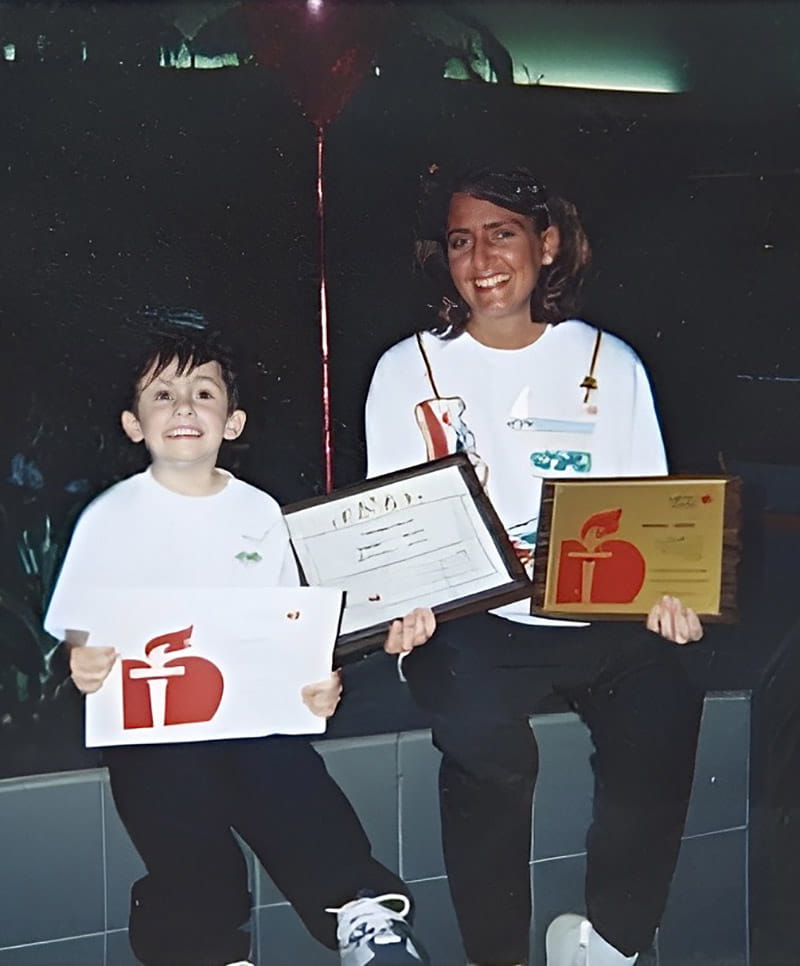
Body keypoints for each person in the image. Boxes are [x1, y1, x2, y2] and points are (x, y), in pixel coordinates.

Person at [364, 164, 706, 966]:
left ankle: (612, 943)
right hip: (473, 620)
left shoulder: (610, 363)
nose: (481, 258)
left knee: (665, 703)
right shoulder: (405, 369)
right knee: (486, 745)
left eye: (502, 233)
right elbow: (392, 525)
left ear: (546, 245)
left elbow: (656, 515)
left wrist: (670, 593)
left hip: (596, 609)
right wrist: (401, 607)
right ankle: (499, 956)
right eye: (460, 240)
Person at [43, 330, 435, 966]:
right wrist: (82, 658)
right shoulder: (110, 516)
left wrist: (315, 681)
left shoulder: (261, 512)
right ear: (133, 424)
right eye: (162, 395)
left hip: (250, 717)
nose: (184, 409)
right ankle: (204, 955)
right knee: (184, 842)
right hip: (153, 721)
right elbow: (77, 627)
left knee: (297, 792)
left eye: (203, 393)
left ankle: (360, 913)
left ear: (234, 420)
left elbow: (286, 624)